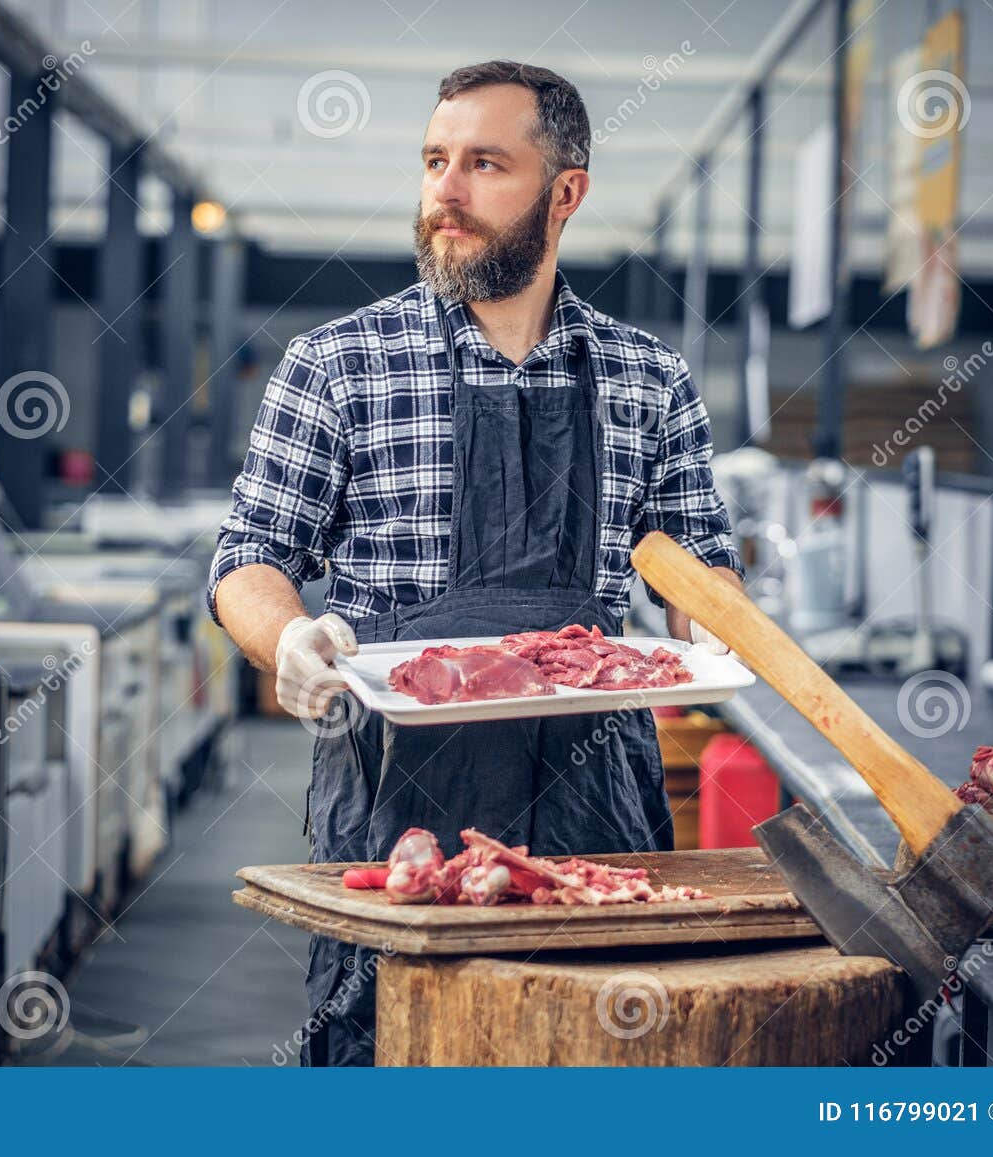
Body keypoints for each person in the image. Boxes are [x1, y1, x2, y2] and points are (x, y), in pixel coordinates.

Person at [208, 60, 744, 1066]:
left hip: (596, 790)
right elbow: (250, 554)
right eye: (433, 162)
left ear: (566, 192)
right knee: (386, 1060)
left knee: (593, 1061)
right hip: (395, 800)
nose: (445, 192)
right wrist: (283, 635)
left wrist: (719, 634)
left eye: (485, 164)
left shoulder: (647, 375)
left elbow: (698, 575)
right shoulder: (336, 363)